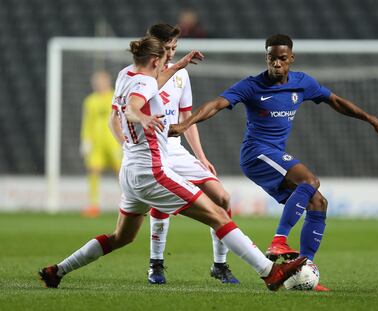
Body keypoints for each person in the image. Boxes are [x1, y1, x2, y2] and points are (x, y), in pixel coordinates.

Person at [38, 36, 306, 291]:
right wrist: (141, 118)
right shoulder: (144, 85)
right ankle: (270, 273)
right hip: (152, 171)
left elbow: (144, 90)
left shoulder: (126, 75)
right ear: (155, 60)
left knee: (121, 237)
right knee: (218, 215)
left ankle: (57, 271)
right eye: (166, 56)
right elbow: (133, 106)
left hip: (130, 172)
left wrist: (179, 66)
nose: (168, 61)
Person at [169, 34, 378, 291]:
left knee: (318, 202)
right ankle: (279, 241)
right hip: (256, 154)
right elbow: (216, 104)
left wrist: (371, 119)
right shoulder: (252, 85)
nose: (276, 64)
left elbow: (336, 101)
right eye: (271, 58)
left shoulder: (302, 83)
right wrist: (186, 123)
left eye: (282, 59)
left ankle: (303, 270)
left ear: (291, 59)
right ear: (266, 58)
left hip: (273, 153)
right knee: (310, 180)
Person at [143, 23, 238, 285]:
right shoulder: (140, 76)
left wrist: (201, 156)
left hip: (176, 151)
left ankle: (220, 265)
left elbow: (187, 118)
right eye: (167, 48)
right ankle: (156, 264)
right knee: (160, 205)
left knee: (223, 199)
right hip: (152, 151)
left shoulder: (182, 76)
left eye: (175, 47)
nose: (172, 53)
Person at [80, 70, 122, 217]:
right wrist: (85, 140)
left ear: (108, 82)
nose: (99, 84)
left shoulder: (115, 96)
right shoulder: (90, 101)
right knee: (93, 171)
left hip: (114, 141)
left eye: (101, 81)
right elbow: (87, 122)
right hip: (96, 143)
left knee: (122, 173)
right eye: (96, 81)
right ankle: (93, 205)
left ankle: (131, 202)